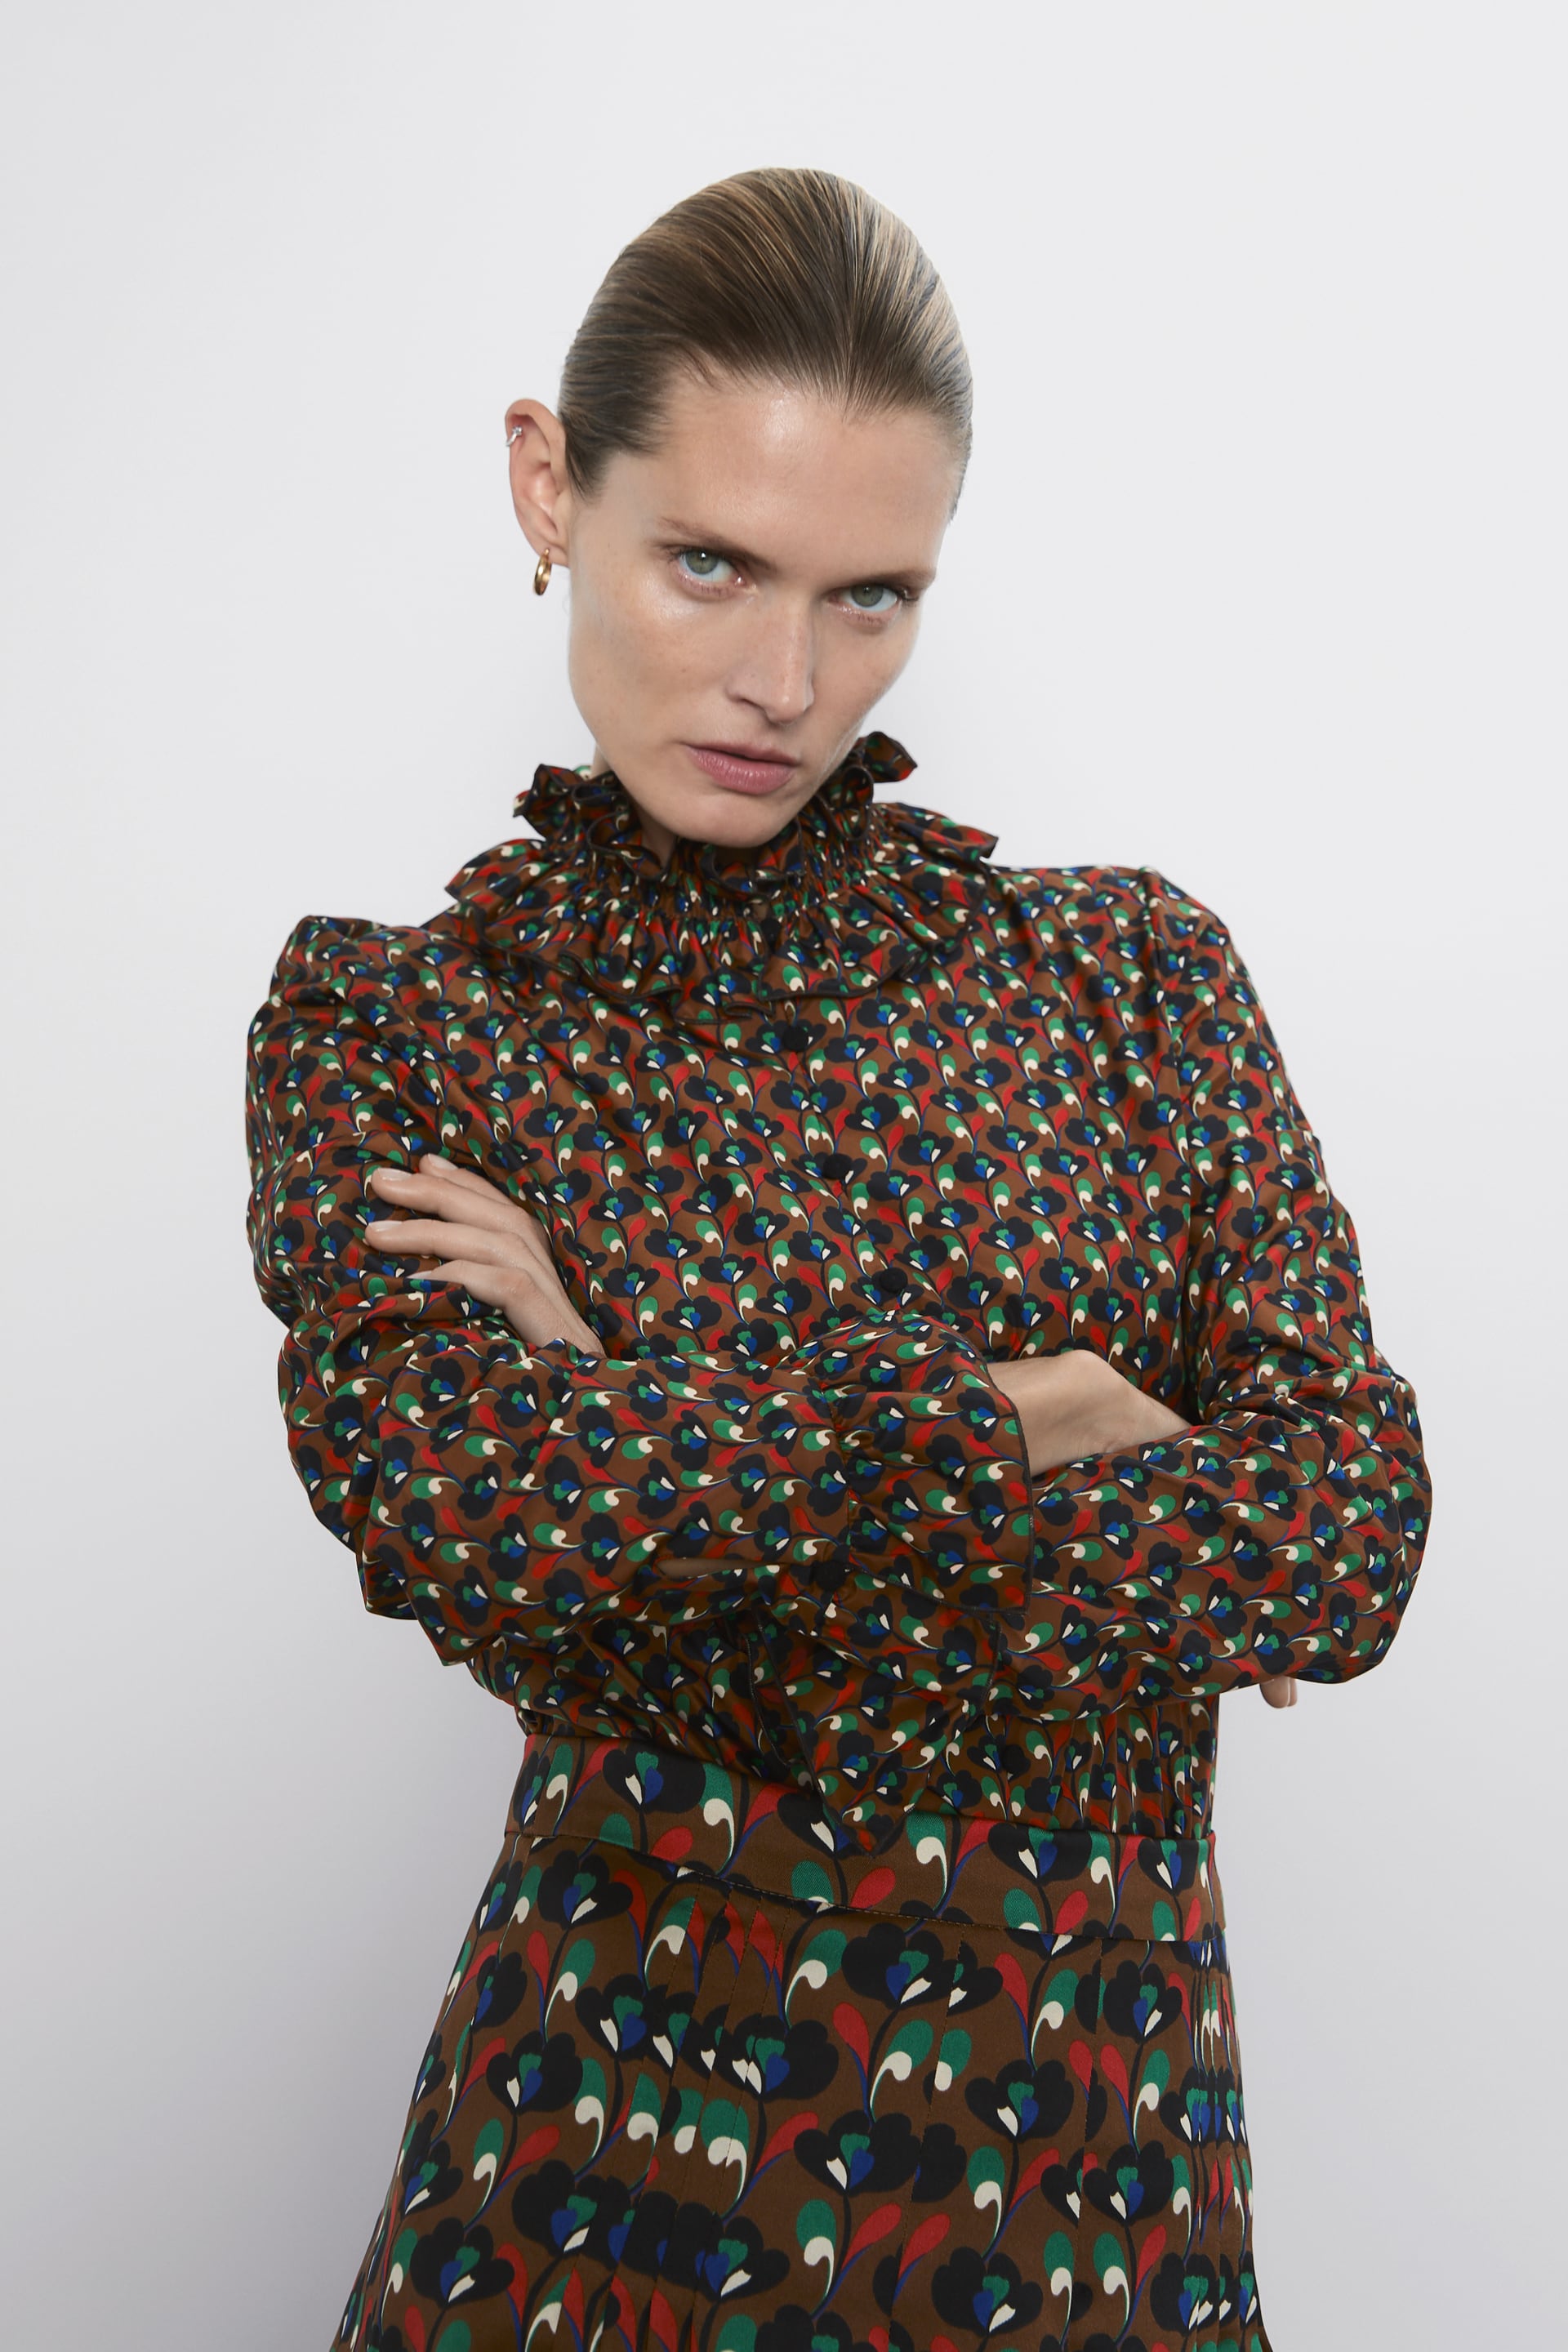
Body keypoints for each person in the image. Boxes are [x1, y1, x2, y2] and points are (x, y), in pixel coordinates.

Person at [247, 167, 1430, 2352]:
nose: (784, 681)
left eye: (872, 595)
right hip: (601, 2181)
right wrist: (1039, 1418)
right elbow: (475, 1526)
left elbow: (1344, 1535)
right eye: (710, 562)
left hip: (1097, 2191)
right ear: (550, 485)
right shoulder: (401, 1025)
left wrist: (637, 1426)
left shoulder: (1128, 978)